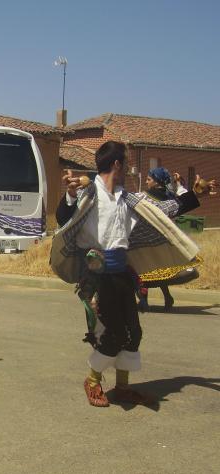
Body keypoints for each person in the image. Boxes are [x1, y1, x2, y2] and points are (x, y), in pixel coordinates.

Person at [51, 141, 214, 408]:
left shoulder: (128, 199)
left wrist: (195, 195)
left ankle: (123, 388)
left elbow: (162, 211)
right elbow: (63, 217)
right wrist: (69, 195)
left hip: (122, 274)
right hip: (96, 276)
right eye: (126, 162)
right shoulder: (88, 192)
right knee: (112, 332)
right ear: (117, 164)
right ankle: (92, 381)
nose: (128, 168)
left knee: (133, 332)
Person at [136, 168, 202, 312]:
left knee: (146, 269)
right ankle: (166, 297)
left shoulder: (145, 197)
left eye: (149, 179)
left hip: (149, 240)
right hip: (162, 241)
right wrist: (182, 186)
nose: (146, 181)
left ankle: (144, 300)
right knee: (159, 270)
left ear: (157, 182)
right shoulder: (170, 197)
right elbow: (182, 199)